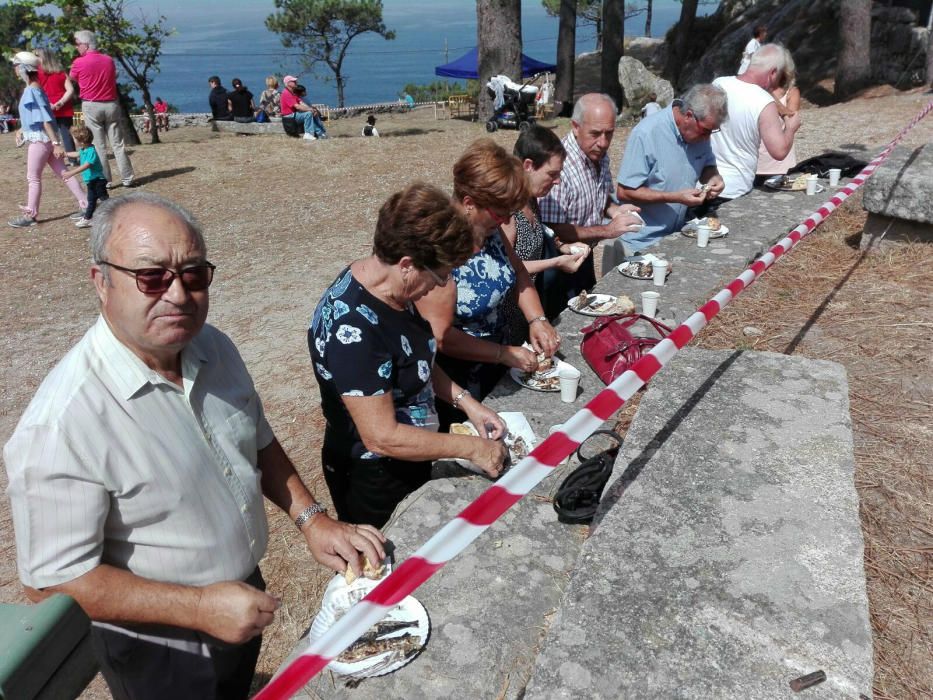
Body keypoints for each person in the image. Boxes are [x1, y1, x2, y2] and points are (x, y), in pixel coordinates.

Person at [4, 191, 386, 700]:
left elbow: (257, 440)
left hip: (238, 598)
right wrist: (200, 607)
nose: (178, 294)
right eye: (151, 276)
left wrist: (311, 519)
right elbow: (52, 583)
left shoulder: (212, 347)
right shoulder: (62, 424)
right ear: (101, 282)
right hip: (161, 646)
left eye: (193, 274)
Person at [309, 183, 509, 527]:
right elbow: (381, 436)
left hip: (410, 460)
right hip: (376, 478)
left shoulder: (393, 292)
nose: (441, 285)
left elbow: (416, 359)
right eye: (440, 274)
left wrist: (467, 403)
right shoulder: (354, 327)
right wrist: (471, 449)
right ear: (406, 264)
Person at [417, 139, 561, 428]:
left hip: (497, 358)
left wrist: (537, 319)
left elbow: (519, 273)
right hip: (456, 375)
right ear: (469, 203)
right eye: (500, 212)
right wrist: (503, 354)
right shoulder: (438, 247)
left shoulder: (490, 231)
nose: (508, 220)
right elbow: (441, 337)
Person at [538, 93, 643, 296]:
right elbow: (552, 228)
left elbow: (599, 196)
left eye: (609, 134)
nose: (603, 142)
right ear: (575, 127)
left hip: (585, 257)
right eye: (595, 134)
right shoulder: (560, 165)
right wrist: (607, 231)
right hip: (559, 264)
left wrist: (615, 210)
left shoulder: (598, 154)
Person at [610, 84, 727, 260]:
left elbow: (706, 164)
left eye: (712, 131)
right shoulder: (647, 133)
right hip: (640, 242)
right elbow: (625, 191)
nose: (708, 137)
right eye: (706, 131)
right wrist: (674, 197)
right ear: (689, 116)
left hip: (677, 236)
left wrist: (713, 177)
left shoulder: (699, 132)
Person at [500, 124, 589, 340]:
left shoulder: (530, 198)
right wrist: (557, 262)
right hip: (506, 321)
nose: (557, 181)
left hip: (529, 313)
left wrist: (561, 246)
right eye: (552, 174)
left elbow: (541, 231)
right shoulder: (505, 209)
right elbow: (507, 267)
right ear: (528, 165)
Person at [7, 51, 87, 229]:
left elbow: (43, 119)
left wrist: (56, 143)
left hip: (41, 141)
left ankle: (30, 215)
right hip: (47, 139)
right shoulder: (37, 89)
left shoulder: (30, 91)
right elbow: (41, 116)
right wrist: (23, 129)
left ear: (24, 69)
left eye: (16, 66)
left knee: (33, 178)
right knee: (64, 174)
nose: (14, 69)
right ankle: (86, 204)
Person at [712, 44, 801, 201]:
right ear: (773, 72)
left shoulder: (719, 84)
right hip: (735, 186)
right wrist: (791, 129)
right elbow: (779, 151)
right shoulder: (764, 101)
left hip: (707, 180)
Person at [70, 30, 135, 188]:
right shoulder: (108, 60)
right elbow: (114, 76)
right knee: (118, 144)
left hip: (91, 104)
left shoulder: (79, 62)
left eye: (77, 44)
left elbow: (73, 78)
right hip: (111, 103)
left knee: (98, 145)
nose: (76, 47)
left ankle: (106, 180)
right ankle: (128, 177)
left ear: (85, 45)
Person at [755, 55, 800, 182]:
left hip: (779, 165)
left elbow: (791, 120)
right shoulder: (753, 91)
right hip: (753, 163)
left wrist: (769, 95)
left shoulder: (792, 92)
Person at [62, 125, 108, 228]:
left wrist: (71, 173)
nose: (73, 141)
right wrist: (66, 154)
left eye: (74, 139)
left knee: (104, 200)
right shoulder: (84, 149)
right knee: (92, 201)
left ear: (81, 141)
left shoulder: (91, 151)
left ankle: (111, 214)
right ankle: (89, 219)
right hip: (91, 181)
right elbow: (77, 154)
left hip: (98, 181)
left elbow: (87, 165)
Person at [35, 48, 77, 158]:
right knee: (67, 135)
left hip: (46, 107)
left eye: (37, 56)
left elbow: (36, 92)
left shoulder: (36, 74)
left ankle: (51, 158)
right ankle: (72, 159)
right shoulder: (61, 72)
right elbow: (70, 90)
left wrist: (49, 104)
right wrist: (60, 102)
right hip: (64, 107)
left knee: (48, 135)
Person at [281, 75, 327, 140]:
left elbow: (301, 103)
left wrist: (312, 109)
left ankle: (321, 132)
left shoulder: (292, 92)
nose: (296, 82)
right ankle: (308, 134)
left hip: (294, 114)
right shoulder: (286, 93)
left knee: (313, 112)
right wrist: (310, 110)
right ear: (288, 83)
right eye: (293, 81)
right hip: (289, 116)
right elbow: (297, 107)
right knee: (308, 114)